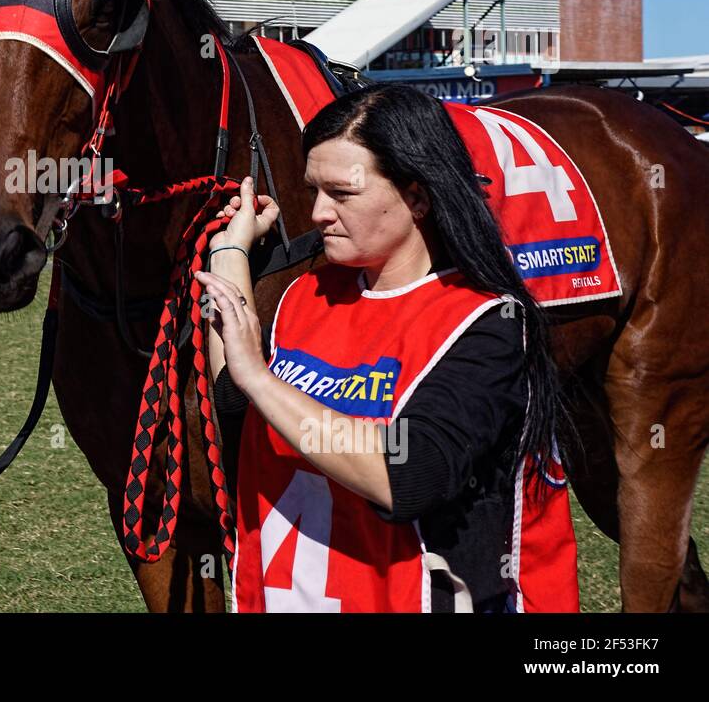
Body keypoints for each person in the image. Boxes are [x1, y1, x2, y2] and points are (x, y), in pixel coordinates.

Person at [196, 83, 578, 614]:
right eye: (314, 191)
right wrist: (230, 251)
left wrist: (260, 377)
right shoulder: (305, 294)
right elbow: (237, 401)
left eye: (343, 194)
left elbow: (406, 476)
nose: (318, 214)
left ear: (417, 197)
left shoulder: (486, 324)